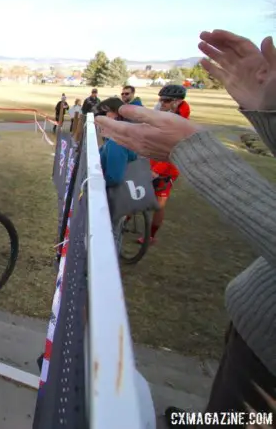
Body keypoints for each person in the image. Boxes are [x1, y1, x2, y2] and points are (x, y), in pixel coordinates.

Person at [97, 29, 276, 428]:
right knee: (225, 403)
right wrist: (270, 112)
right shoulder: (165, 107)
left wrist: (191, 154)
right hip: (258, 322)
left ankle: (151, 232)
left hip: (269, 359)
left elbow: (179, 146)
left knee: (158, 202)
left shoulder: (184, 116)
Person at [142, 84, 190, 244]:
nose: (162, 103)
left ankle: (151, 236)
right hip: (152, 161)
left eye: (166, 101)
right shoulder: (164, 114)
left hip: (166, 169)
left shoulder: (181, 124)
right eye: (161, 99)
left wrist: (157, 170)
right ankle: (126, 220)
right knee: (138, 191)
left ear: (177, 102)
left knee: (158, 205)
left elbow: (174, 150)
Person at [94, 97, 137, 187]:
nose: (98, 117)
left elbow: (114, 178)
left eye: (103, 113)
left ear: (117, 114)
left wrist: (93, 185)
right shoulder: (117, 137)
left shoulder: (116, 142)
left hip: (111, 197)